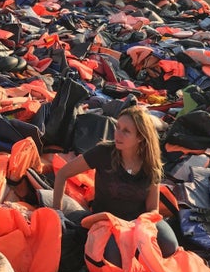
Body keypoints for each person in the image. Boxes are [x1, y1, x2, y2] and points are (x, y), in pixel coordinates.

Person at [51, 105, 179, 256]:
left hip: (137, 223)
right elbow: (63, 174)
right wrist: (57, 212)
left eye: (126, 131)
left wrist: (141, 227)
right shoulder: (103, 152)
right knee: (116, 252)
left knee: (170, 246)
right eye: (118, 127)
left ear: (140, 137)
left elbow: (152, 209)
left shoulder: (150, 164)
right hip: (106, 221)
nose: (118, 134)